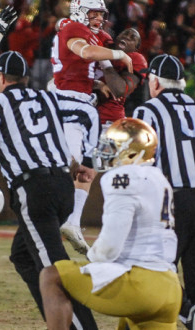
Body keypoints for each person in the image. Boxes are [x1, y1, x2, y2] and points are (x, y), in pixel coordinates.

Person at [0, 51, 98, 330]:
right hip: (64, 185)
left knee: (54, 270)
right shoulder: (48, 97)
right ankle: (58, 317)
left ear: (0, 78)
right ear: (25, 78)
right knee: (24, 256)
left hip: (34, 189)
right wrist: (83, 162)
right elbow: (77, 120)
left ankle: (82, 327)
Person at [39, 117, 182, 329]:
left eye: (112, 147)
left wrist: (94, 259)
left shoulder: (123, 176)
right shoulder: (159, 178)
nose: (105, 153)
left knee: (51, 276)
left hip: (141, 286)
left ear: (132, 152)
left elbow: (110, 245)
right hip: (170, 288)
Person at [133, 54, 195, 330]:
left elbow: (139, 165)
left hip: (176, 198)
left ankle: (187, 312)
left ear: (154, 83)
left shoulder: (147, 111)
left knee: (152, 269)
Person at [51, 0, 134, 254]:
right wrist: (118, 55)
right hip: (71, 101)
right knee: (70, 164)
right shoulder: (75, 29)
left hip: (84, 105)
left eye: (101, 13)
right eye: (94, 13)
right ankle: (56, 215)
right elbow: (85, 52)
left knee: (83, 167)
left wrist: (100, 82)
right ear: (80, 12)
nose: (98, 18)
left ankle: (70, 220)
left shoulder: (95, 36)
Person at [95, 27, 148, 125]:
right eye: (125, 33)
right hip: (81, 110)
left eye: (132, 38)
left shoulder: (136, 59)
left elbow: (120, 90)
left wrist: (103, 59)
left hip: (107, 120)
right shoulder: (103, 44)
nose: (127, 36)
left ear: (135, 48)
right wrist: (98, 85)